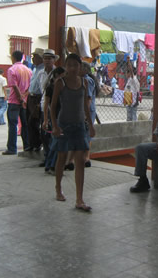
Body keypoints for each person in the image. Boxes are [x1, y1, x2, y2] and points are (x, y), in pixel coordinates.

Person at [51, 53, 95, 210]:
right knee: (62, 158)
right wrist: (55, 126)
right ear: (65, 66)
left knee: (80, 162)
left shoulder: (84, 82)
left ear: (80, 66)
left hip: (79, 127)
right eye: (69, 65)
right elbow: (53, 105)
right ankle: (58, 187)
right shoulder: (60, 83)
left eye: (75, 65)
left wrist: (90, 125)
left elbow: (85, 106)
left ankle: (79, 199)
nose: (72, 68)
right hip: (64, 126)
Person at [3, 50, 32, 155]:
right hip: (25, 100)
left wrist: (20, 97)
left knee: (12, 124)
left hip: (14, 101)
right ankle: (27, 145)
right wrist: (24, 96)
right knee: (25, 124)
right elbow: (31, 85)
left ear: (13, 58)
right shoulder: (28, 70)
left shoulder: (12, 70)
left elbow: (14, 85)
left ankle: (11, 148)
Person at [42, 67, 65, 175]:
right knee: (57, 142)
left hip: (60, 116)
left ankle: (49, 165)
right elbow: (47, 104)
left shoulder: (64, 87)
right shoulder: (52, 87)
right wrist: (46, 119)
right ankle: (52, 165)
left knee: (55, 142)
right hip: (56, 117)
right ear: (58, 75)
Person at [38, 49, 58, 167]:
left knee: (52, 135)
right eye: (45, 58)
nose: (47, 61)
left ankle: (52, 160)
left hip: (53, 108)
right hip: (42, 106)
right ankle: (47, 157)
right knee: (44, 135)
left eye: (49, 58)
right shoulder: (41, 73)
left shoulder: (57, 73)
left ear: (54, 60)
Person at [80, 61, 99, 168]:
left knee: (87, 133)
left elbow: (88, 99)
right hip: (83, 110)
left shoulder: (88, 80)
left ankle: (87, 157)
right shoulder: (81, 80)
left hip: (87, 110)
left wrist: (85, 113)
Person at [26, 48, 45, 152]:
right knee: (30, 121)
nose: (33, 59)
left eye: (36, 57)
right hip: (31, 96)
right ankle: (33, 143)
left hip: (37, 97)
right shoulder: (35, 69)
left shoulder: (42, 70)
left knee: (34, 122)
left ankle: (37, 143)